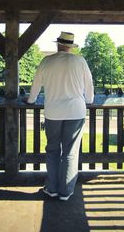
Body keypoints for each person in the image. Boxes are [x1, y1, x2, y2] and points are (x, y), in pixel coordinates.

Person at [25, 32, 94, 201]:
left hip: (53, 113)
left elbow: (35, 87)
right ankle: (66, 191)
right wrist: (89, 100)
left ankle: (52, 188)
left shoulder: (46, 61)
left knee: (53, 150)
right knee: (70, 153)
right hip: (75, 112)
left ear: (58, 45)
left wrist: (31, 101)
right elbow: (89, 86)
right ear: (71, 46)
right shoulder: (80, 61)